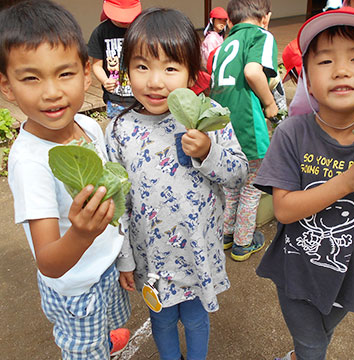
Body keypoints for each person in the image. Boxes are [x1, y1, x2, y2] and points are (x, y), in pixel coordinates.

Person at [253, 8, 354, 360]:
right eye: (325, 61)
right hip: (296, 269)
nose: (341, 70)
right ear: (307, 80)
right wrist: (347, 181)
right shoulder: (292, 134)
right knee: (313, 346)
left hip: (351, 275)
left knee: (317, 340)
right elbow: (283, 210)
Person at [105, 8, 248, 360]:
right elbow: (116, 203)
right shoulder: (120, 130)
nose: (155, 81)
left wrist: (208, 151)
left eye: (170, 67)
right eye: (142, 66)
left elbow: (239, 174)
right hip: (151, 258)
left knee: (197, 319)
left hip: (197, 251)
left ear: (191, 72)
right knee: (162, 320)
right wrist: (125, 260)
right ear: (126, 71)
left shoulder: (208, 115)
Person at [0, 1, 131, 358]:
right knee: (82, 349)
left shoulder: (89, 127)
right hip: (75, 287)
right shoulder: (30, 161)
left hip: (104, 266)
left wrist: (121, 258)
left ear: (87, 73)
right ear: (6, 86)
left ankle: (103, 340)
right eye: (31, 77)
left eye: (65, 73)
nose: (52, 92)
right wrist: (82, 232)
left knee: (107, 326)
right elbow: (50, 262)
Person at [210, 0, 279, 261]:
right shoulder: (261, 35)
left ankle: (227, 235)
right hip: (247, 126)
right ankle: (242, 243)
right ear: (265, 18)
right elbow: (252, 71)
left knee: (230, 185)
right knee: (252, 186)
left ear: (229, 21)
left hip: (221, 128)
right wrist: (270, 103)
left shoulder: (222, 45)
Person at [88, 0, 142, 120]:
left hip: (142, 98)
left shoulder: (141, 30)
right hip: (115, 100)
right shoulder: (101, 32)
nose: (123, 21)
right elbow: (97, 66)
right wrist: (105, 81)